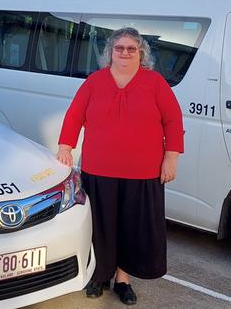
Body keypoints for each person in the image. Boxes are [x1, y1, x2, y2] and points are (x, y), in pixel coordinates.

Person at [56, 27, 184, 305]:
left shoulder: (155, 82)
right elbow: (74, 115)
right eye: (119, 48)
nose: (125, 52)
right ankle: (100, 275)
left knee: (131, 228)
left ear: (141, 53)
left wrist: (171, 157)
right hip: (99, 169)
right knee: (100, 227)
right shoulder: (94, 82)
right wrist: (65, 146)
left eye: (131, 48)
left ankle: (123, 280)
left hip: (143, 172)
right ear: (110, 52)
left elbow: (173, 120)